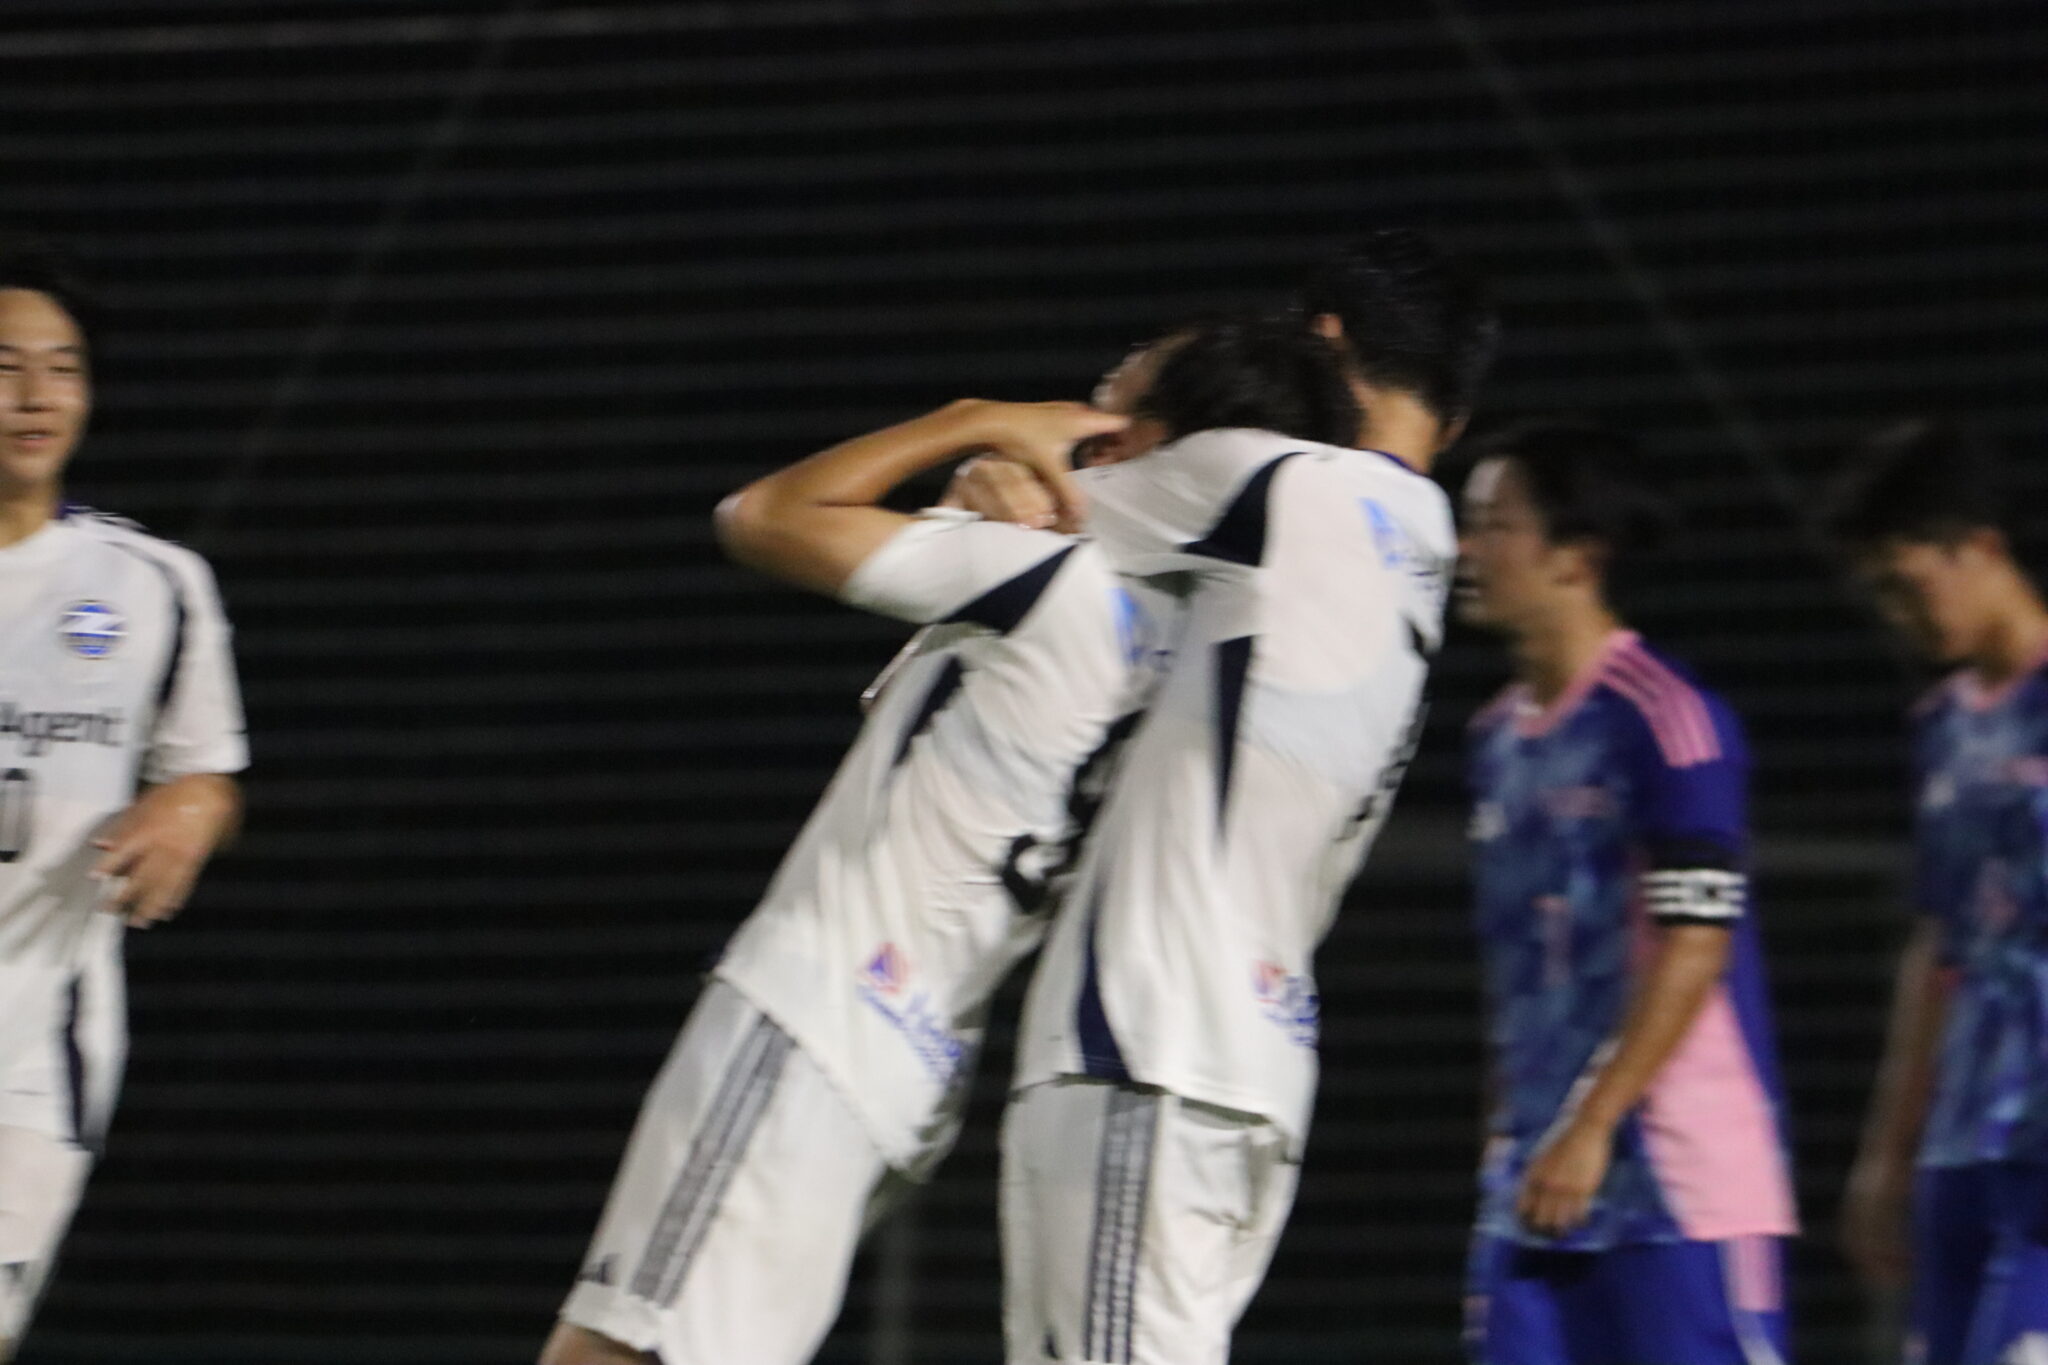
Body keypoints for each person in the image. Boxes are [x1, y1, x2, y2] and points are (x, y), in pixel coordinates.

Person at [994, 237, 1490, 1364]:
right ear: (1454, 420)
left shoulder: (1270, 481)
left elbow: (1006, 524)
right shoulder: (1421, 538)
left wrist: (995, 461)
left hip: (1152, 1036)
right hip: (1251, 1062)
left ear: (1321, 338)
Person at [1456, 421, 1796, 1365]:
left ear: (1577, 555)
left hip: (1677, 1185)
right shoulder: (1495, 740)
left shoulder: (1666, 717)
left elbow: (1696, 938)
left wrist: (1593, 1121)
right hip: (1536, 1179)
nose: (1465, 549)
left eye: (1494, 525)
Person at [0, 243, 247, 1359]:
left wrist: (193, 810)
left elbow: (207, 773)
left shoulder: (153, 585)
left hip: (33, 1035)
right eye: (6, 366)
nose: (37, 395)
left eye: (64, 367)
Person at [1829, 422, 2048, 1365]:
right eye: (1878, 593)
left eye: (1906, 583)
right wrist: (1888, 1149)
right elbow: (1940, 945)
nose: (1897, 615)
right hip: (1965, 1133)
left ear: (1981, 548)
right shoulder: (1944, 728)